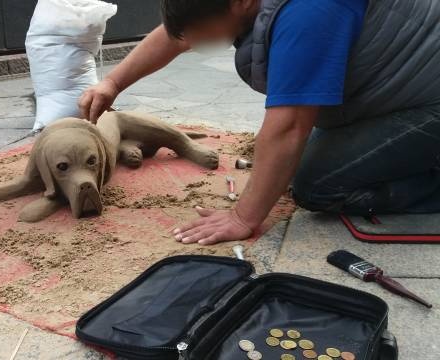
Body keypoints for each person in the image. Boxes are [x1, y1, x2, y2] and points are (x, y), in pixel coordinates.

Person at [78, 0, 440, 245]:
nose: (197, 43)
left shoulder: (307, 13)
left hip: (430, 99)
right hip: (409, 83)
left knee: (316, 184)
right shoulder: (244, 3)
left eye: (203, 32)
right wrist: (113, 82)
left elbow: (288, 128)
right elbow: (182, 31)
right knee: (293, 163)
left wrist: (242, 216)